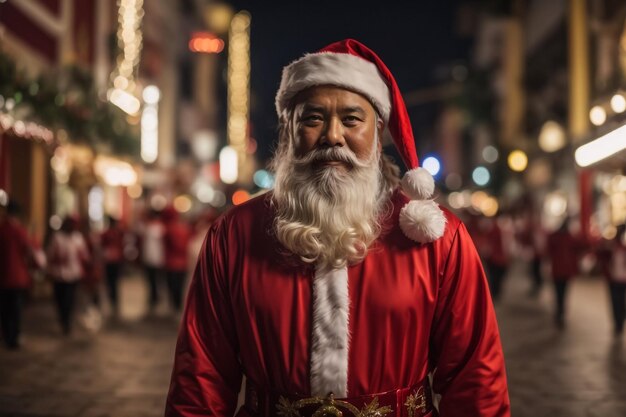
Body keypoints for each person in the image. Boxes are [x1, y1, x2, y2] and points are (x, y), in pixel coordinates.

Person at [166, 39, 510, 417]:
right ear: (289, 131)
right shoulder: (233, 235)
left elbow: (476, 377)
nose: (332, 135)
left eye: (351, 119)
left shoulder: (438, 239)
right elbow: (202, 375)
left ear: (378, 133)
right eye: (313, 118)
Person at [0, 200, 45, 349]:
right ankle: (14, 336)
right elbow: (29, 251)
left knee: (5, 308)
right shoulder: (20, 231)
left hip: (3, 275)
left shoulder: (2, 229)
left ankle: (7, 335)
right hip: (18, 276)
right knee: (16, 308)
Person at [46, 216, 90, 335]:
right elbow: (51, 255)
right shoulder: (57, 238)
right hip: (59, 274)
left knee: (69, 300)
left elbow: (84, 255)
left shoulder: (78, 238)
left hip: (74, 274)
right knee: (60, 299)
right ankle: (63, 318)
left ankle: (67, 322)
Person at [546, 218, 585, 329]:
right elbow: (581, 247)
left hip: (557, 270)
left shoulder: (555, 237)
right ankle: (561, 312)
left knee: (558, 293)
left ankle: (559, 312)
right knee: (563, 293)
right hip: (565, 270)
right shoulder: (570, 238)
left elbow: (548, 250)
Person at [597, 224, 626, 336]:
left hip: (622, 279)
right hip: (613, 279)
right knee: (615, 301)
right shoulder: (611, 247)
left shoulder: (620, 248)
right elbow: (599, 253)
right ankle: (618, 323)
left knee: (620, 301)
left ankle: (620, 321)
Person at [163, 207, 191, 312]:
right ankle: (178, 306)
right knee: (179, 286)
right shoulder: (185, 228)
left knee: (172, 287)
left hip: (172, 263)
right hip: (182, 263)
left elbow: (167, 246)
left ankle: (175, 307)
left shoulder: (169, 229)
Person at [100, 216, 126, 314]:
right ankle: (114, 300)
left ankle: (113, 300)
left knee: (111, 282)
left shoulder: (111, 233)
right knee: (113, 282)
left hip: (112, 261)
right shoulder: (117, 233)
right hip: (113, 261)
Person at [141, 209, 165, 312]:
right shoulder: (162, 228)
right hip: (157, 258)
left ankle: (154, 297)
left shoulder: (150, 228)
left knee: (153, 280)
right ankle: (155, 297)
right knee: (155, 280)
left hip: (152, 258)